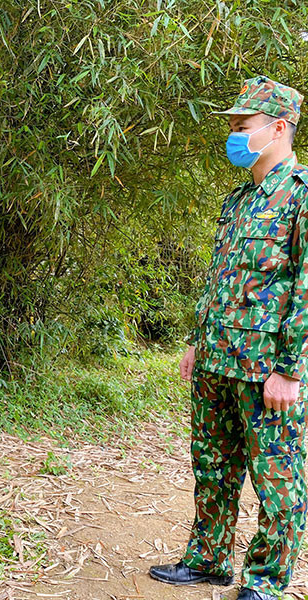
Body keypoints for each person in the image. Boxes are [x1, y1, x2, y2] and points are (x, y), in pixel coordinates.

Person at [149, 77, 308, 600]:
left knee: (276, 480)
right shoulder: (240, 198)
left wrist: (290, 368)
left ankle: (265, 582)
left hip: (266, 369)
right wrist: (199, 339)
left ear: (278, 128)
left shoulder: (301, 195)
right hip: (219, 358)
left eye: (243, 126)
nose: (235, 136)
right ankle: (209, 558)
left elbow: (305, 290)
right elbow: (222, 274)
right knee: (212, 466)